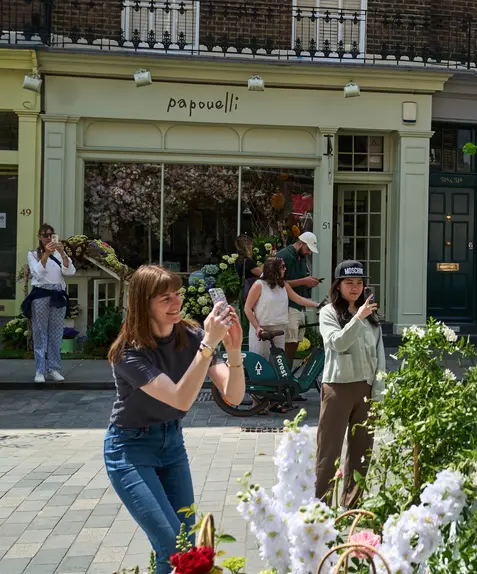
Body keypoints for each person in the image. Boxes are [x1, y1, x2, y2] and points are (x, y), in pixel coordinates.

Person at [104, 265, 244, 574]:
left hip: (171, 444)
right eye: (165, 298)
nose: (176, 303)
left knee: (185, 547)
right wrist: (208, 346)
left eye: (177, 294)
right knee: (170, 545)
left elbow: (234, 396)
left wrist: (233, 350)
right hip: (129, 450)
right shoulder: (128, 353)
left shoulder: (191, 334)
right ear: (144, 305)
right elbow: (181, 398)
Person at [315, 260, 385, 507]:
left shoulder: (370, 314)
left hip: (365, 388)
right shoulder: (328, 313)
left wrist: (379, 389)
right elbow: (337, 343)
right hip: (338, 387)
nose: (355, 287)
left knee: (362, 450)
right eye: (349, 282)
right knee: (329, 450)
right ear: (338, 285)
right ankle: (322, 507)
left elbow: (379, 354)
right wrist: (357, 318)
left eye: (359, 282)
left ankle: (352, 505)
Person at [21, 224, 75, 383]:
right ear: (39, 236)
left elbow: (70, 271)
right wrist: (46, 254)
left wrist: (63, 253)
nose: (48, 238)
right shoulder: (33, 254)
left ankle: (54, 368)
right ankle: (40, 370)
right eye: (45, 235)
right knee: (40, 333)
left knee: (56, 333)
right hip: (41, 295)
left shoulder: (59, 254)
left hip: (57, 294)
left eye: (51, 235)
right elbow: (37, 273)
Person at [244, 256, 319, 360]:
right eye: (282, 267)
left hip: (279, 328)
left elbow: (298, 299)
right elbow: (247, 308)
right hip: (262, 330)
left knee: (278, 361)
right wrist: (257, 327)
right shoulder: (259, 285)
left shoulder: (283, 285)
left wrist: (318, 305)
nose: (285, 269)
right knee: (261, 361)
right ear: (274, 269)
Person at [277, 231, 321, 365]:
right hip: (288, 305)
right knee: (289, 343)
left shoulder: (301, 257)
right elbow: (277, 282)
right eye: (308, 249)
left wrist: (308, 284)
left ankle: (288, 375)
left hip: (299, 305)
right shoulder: (284, 255)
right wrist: (303, 281)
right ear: (300, 243)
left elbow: (296, 281)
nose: (309, 253)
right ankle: (285, 375)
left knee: (295, 342)